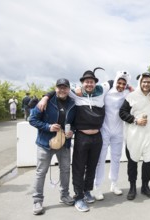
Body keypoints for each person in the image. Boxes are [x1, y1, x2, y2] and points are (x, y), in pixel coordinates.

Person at [39, 67, 110, 212]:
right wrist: (46, 96)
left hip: (97, 137)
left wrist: (129, 86)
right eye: (86, 82)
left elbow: (114, 81)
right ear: (82, 83)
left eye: (91, 82)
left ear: (95, 83)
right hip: (82, 137)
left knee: (92, 166)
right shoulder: (75, 95)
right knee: (79, 167)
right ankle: (78, 197)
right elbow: (60, 90)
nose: (89, 84)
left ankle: (87, 191)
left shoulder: (101, 92)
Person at [29, 78, 76, 215]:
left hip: (64, 143)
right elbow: (32, 119)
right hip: (45, 143)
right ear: (55, 88)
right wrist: (48, 127)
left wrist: (72, 130)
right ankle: (37, 200)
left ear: (68, 89)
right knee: (41, 172)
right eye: (59, 87)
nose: (62, 90)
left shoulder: (73, 104)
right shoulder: (46, 101)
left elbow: (75, 123)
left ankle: (64, 195)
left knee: (65, 170)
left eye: (65, 87)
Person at [93, 71, 131, 200]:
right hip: (105, 130)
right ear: (115, 82)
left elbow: (139, 92)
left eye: (123, 84)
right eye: (119, 83)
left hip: (119, 131)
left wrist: (131, 87)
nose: (121, 85)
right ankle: (97, 187)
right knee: (101, 159)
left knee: (116, 158)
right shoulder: (106, 92)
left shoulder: (127, 93)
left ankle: (114, 184)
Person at [119, 72, 150, 200]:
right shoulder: (131, 96)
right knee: (132, 162)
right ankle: (132, 187)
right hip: (134, 135)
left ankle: (145, 187)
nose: (146, 84)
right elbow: (122, 112)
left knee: (148, 162)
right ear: (140, 82)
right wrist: (135, 120)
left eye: (149, 82)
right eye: (144, 81)